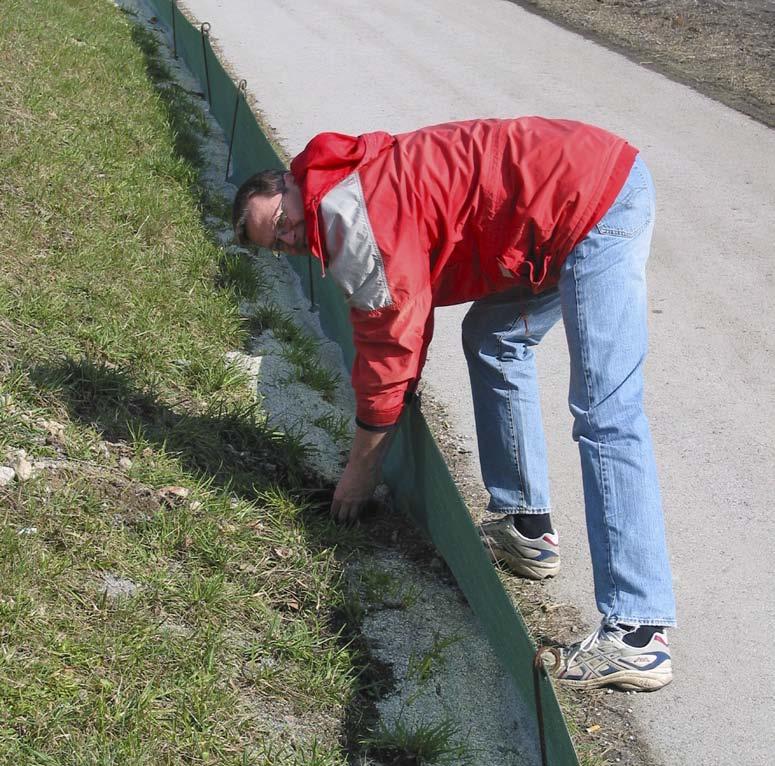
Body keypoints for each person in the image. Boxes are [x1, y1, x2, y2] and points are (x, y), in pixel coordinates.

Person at [232, 117, 676, 691]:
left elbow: (390, 347)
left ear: (289, 185)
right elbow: (405, 318)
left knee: (605, 412)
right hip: (561, 202)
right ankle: (525, 525)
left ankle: (639, 630)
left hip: (594, 201)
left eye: (281, 223)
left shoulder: (345, 215)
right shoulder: (340, 189)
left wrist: (360, 471)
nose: (291, 239)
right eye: (280, 245)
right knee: (494, 339)